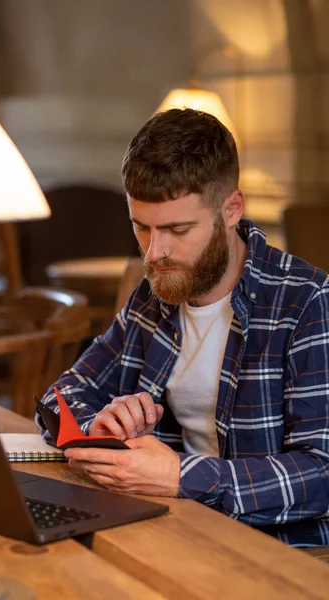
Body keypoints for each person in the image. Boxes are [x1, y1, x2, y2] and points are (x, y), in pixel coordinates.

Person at [36, 108, 329, 547]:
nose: (155, 252)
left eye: (177, 229)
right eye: (141, 227)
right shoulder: (154, 294)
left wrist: (178, 474)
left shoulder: (307, 301)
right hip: (169, 526)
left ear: (231, 209)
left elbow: (321, 473)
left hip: (278, 548)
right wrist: (99, 425)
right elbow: (60, 397)